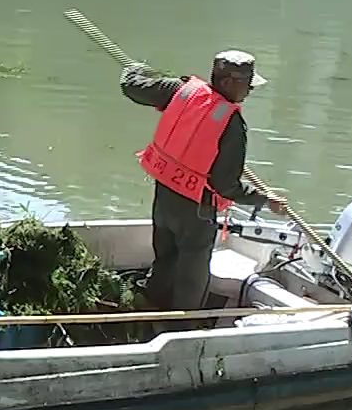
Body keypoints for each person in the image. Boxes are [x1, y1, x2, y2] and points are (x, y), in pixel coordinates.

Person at [120, 49, 289, 316]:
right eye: (247, 84)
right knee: (192, 277)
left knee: (165, 260)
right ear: (227, 83)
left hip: (164, 199)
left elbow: (133, 86)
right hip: (195, 212)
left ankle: (150, 308)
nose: (250, 91)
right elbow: (226, 186)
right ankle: (184, 328)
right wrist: (265, 200)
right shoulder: (232, 124)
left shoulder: (181, 90)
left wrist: (135, 68)